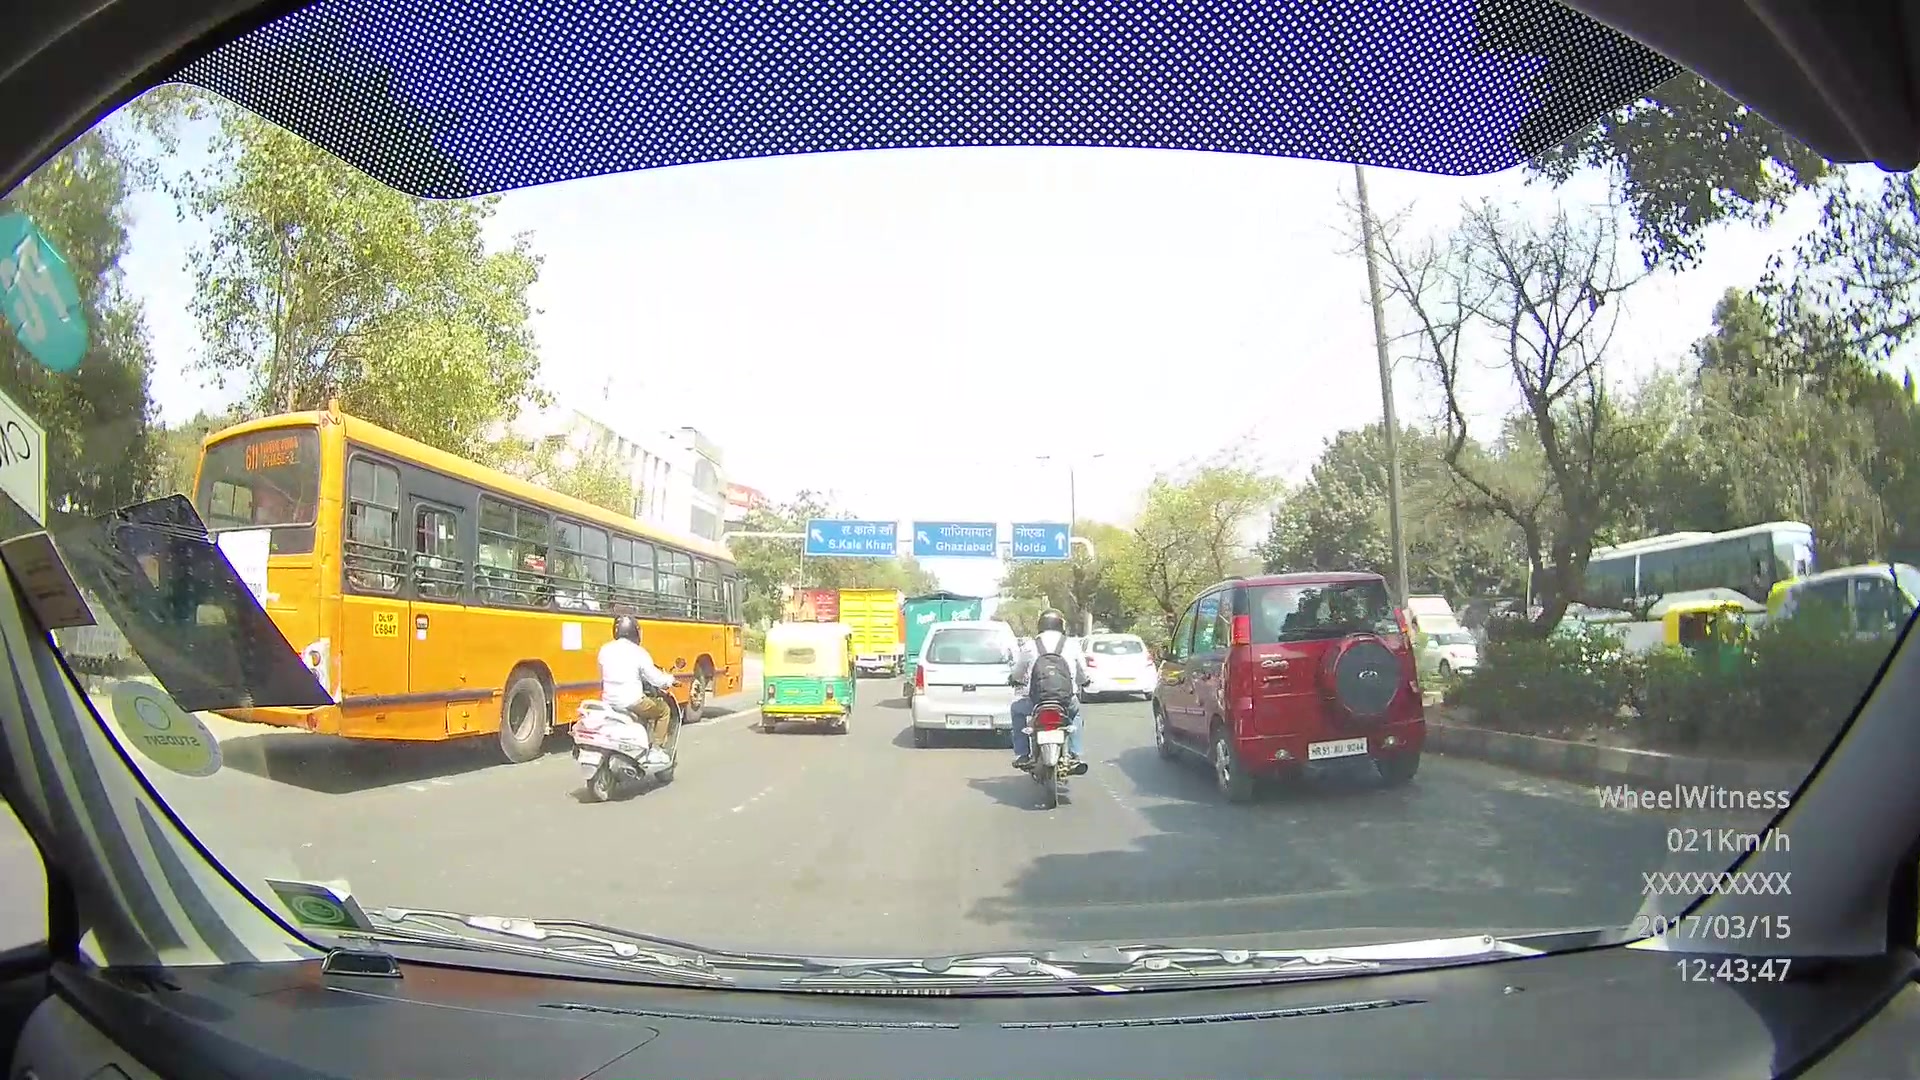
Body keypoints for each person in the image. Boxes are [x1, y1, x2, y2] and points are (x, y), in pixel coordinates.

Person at [1009, 608, 1088, 774]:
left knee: (1016, 709)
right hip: (1065, 701)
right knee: (1075, 714)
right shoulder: (1072, 644)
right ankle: (1075, 754)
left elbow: (1019, 671)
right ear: (1061, 625)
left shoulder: (1030, 645)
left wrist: (1014, 679)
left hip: (1037, 702)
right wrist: (1084, 682)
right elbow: (1082, 672)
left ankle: (1022, 754)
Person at [597, 614, 679, 767]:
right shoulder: (639, 652)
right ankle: (656, 749)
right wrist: (670, 680)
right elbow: (656, 679)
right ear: (634, 632)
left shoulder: (604, 650)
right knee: (663, 710)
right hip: (632, 702)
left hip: (609, 702)